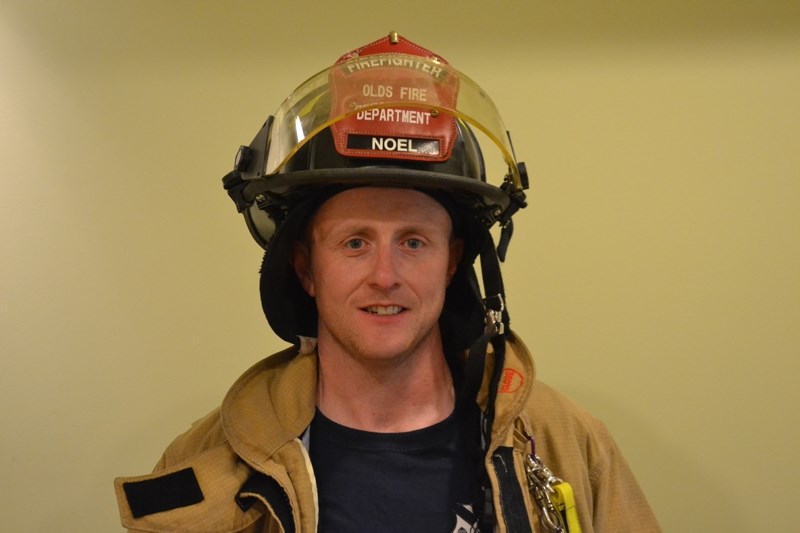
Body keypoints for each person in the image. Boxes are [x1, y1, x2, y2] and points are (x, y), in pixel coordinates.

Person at [114, 33, 661, 532]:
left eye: (413, 242)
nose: (384, 276)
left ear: (452, 262)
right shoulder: (208, 460)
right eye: (355, 242)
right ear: (305, 268)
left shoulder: (566, 443)